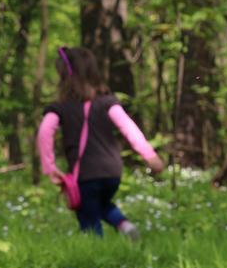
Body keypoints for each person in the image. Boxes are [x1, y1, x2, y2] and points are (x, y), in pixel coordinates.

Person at [36, 46, 164, 238]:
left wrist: (50, 168)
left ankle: (96, 251)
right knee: (101, 204)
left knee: (88, 215)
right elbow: (128, 127)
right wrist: (149, 155)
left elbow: (45, 132)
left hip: (85, 174)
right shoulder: (107, 102)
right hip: (112, 171)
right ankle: (125, 226)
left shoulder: (60, 108)